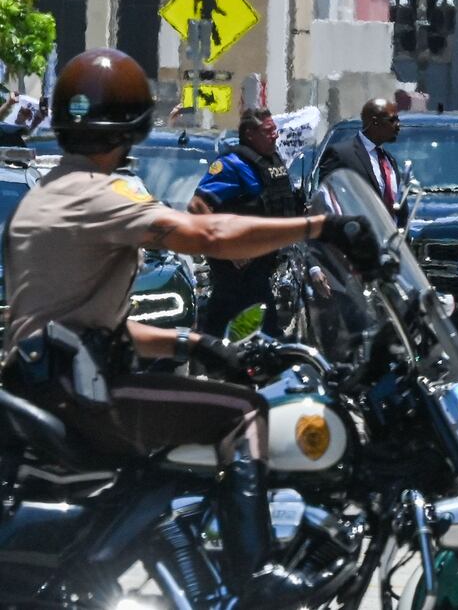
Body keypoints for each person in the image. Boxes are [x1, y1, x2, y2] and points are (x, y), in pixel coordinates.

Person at [1, 48, 378, 605]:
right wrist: (320, 226)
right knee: (242, 414)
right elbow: (206, 235)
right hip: (81, 390)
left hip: (57, 380)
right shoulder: (97, 195)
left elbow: (93, 325)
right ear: (133, 125)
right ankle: (257, 573)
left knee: (174, 453)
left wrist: (198, 342)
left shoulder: (46, 194)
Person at [188, 108, 305, 337]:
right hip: (237, 271)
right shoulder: (232, 165)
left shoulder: (271, 163)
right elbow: (196, 205)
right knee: (260, 333)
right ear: (250, 134)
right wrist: (228, 249)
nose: (275, 136)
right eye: (268, 131)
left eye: (275, 130)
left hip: (264, 266)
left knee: (236, 334)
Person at [316, 97, 407, 223]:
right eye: (392, 120)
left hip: (390, 240)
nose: (398, 125)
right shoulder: (341, 155)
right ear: (375, 122)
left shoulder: (388, 160)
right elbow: (326, 202)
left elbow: (400, 207)